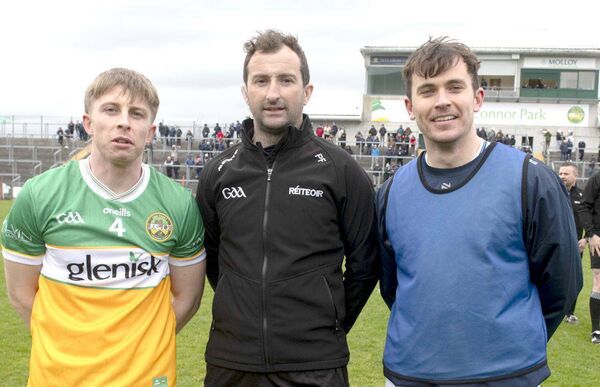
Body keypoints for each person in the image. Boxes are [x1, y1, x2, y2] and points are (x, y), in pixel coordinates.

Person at [376, 37, 582, 386]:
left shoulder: (530, 178)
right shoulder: (392, 191)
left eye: (454, 87)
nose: (442, 101)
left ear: (478, 97)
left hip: (505, 376)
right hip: (410, 373)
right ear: (410, 106)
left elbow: (562, 285)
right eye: (428, 91)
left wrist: (511, 340)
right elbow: (392, 285)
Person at [196, 29, 379, 387]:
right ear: (246, 91)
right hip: (233, 363)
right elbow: (215, 262)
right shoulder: (218, 173)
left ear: (306, 91)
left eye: (286, 80)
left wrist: (328, 322)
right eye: (261, 81)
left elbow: (365, 265)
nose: (273, 93)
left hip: (315, 365)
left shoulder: (340, 170)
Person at [1, 68, 207, 386]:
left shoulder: (178, 204)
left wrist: (142, 346)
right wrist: (65, 344)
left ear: (151, 131)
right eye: (111, 110)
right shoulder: (39, 194)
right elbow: (20, 293)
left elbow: (188, 299)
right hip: (57, 378)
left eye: (136, 114)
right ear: (88, 123)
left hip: (146, 378)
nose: (123, 122)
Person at [559, 162, 587, 324]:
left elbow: (591, 218)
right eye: (561, 173)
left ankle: (569, 312)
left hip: (577, 245)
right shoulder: (554, 192)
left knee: (573, 278)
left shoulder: (583, 197)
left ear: (575, 176)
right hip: (557, 242)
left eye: (566, 174)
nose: (562, 176)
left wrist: (586, 238)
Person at [581, 170, 600, 344]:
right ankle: (597, 330)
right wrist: (591, 234)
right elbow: (584, 206)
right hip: (598, 238)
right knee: (599, 279)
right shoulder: (596, 178)